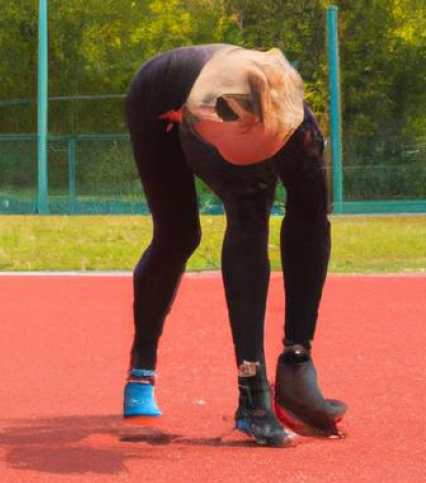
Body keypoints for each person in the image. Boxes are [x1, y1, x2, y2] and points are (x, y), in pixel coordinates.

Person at [121, 43, 347, 446]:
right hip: (160, 95)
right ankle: (149, 368)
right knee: (180, 233)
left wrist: (298, 353)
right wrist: (252, 387)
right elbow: (247, 231)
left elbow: (310, 225)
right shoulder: (200, 117)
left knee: (313, 206)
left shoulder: (301, 132)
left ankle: (296, 364)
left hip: (243, 109)